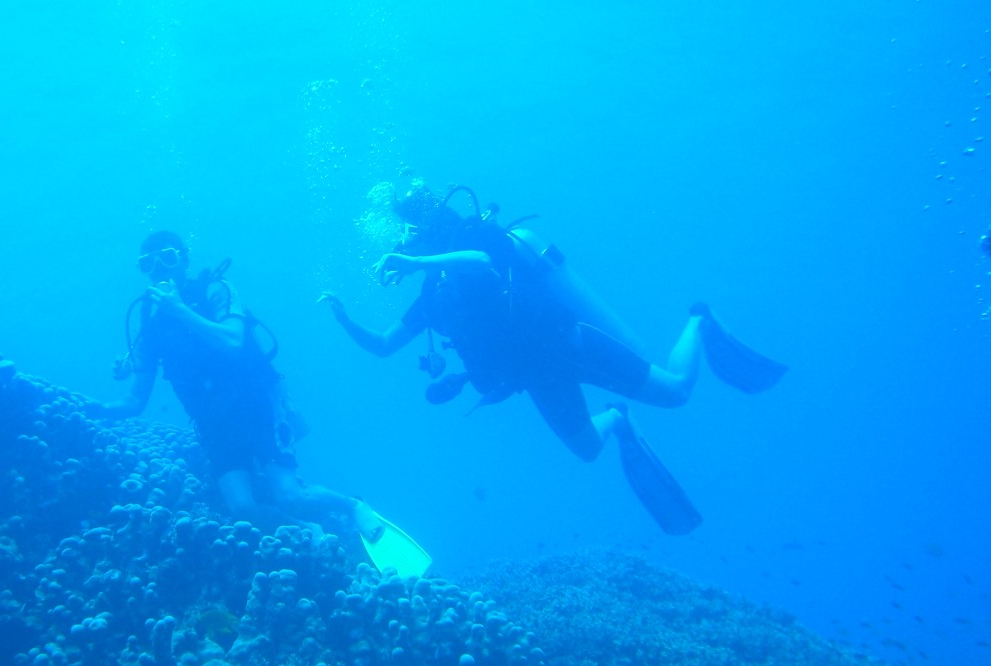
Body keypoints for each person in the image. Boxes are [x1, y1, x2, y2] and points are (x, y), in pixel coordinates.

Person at [321, 179, 787, 535]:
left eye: (406, 234)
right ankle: (619, 419)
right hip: (536, 375)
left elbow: (483, 265)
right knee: (587, 449)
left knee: (677, 393)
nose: (401, 245)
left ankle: (699, 321)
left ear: (423, 227)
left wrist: (421, 263)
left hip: (570, 344)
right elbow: (385, 345)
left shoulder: (477, 237)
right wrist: (345, 322)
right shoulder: (433, 290)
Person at [88, 231, 431, 576]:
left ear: (185, 259)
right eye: (148, 264)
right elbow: (134, 400)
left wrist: (178, 310)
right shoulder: (148, 322)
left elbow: (234, 341)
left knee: (290, 495)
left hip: (257, 407)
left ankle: (353, 505)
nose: (159, 270)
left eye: (168, 258)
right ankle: (308, 529)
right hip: (212, 425)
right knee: (243, 510)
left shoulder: (215, 289)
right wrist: (94, 410)